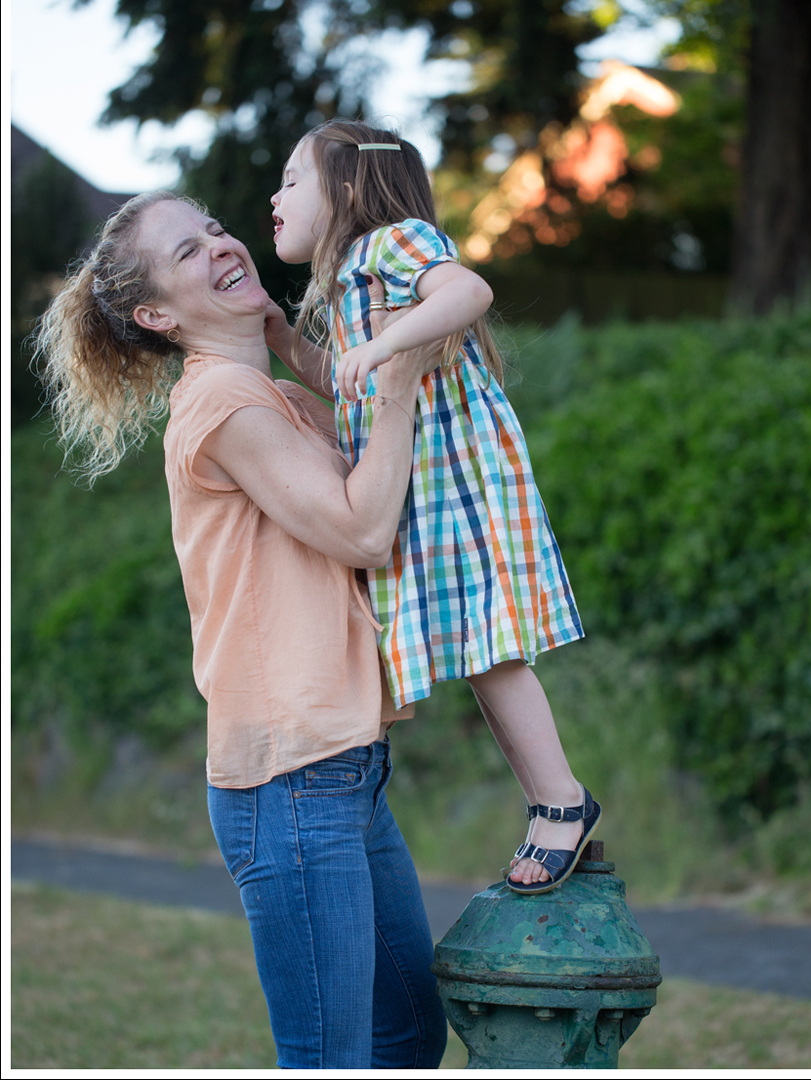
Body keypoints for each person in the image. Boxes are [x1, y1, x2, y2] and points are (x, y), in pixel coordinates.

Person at [32, 190, 448, 1070]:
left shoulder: (273, 395)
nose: (221, 245)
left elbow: (387, 465)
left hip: (345, 766)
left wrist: (299, 344)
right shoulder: (225, 404)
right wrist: (400, 373)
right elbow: (364, 530)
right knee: (331, 1058)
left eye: (215, 229)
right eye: (188, 251)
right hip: (291, 780)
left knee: (410, 1034)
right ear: (157, 315)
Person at [268, 119, 600, 895]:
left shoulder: (392, 243)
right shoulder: (347, 279)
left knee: (492, 651)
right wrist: (285, 341)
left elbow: (468, 291)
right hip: (420, 486)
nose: (274, 198)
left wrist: (384, 346)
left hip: (457, 474)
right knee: (479, 656)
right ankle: (550, 803)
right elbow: (349, 383)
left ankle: (561, 801)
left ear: (346, 188)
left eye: (291, 180)